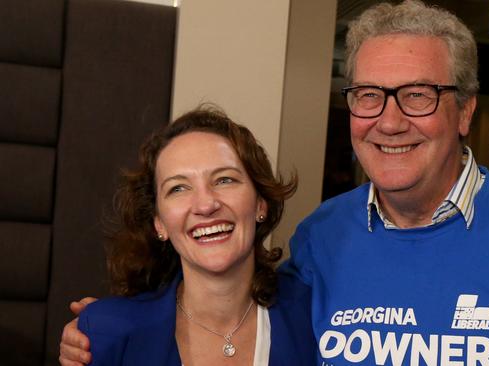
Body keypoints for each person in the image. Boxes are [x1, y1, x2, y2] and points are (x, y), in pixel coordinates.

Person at [61, 1, 489, 365]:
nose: (389, 120)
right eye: (368, 96)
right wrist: (118, 328)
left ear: (464, 111)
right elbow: (227, 287)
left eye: (418, 94)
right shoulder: (321, 238)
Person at [59, 106, 315, 365]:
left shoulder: (313, 318)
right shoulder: (105, 332)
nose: (205, 205)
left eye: (224, 180)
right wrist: (98, 325)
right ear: (159, 223)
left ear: (260, 203)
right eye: (178, 188)